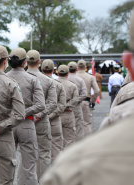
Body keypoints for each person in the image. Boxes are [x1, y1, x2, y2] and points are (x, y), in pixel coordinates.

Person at [40, 9, 134, 185]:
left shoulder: (75, 171)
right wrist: (91, 102)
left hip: (52, 114)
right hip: (78, 106)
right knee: (83, 128)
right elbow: (93, 92)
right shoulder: (90, 77)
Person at [0, 45, 25, 185]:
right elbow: (19, 114)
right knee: (5, 181)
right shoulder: (11, 83)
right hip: (3, 135)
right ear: (5, 61)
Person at [7, 47, 45, 185]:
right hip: (27, 125)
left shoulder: (4, 78)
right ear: (24, 62)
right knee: (29, 168)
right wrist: (22, 112)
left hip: (7, 125)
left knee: (7, 168)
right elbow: (41, 105)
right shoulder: (32, 79)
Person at [26, 50, 57, 180]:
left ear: (26, 62)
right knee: (44, 154)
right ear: (39, 62)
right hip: (42, 121)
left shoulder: (15, 78)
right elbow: (53, 103)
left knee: (25, 155)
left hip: (23, 121)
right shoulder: (48, 81)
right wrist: (39, 114)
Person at [41, 59, 66, 161]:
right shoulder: (58, 84)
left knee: (40, 152)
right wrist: (50, 116)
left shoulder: (35, 81)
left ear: (41, 69)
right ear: (53, 69)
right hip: (54, 121)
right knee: (56, 150)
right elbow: (62, 105)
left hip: (38, 121)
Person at [57, 65, 79, 147]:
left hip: (55, 114)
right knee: (69, 141)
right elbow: (76, 99)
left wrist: (59, 106)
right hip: (68, 113)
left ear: (57, 73)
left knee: (55, 142)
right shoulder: (72, 85)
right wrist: (65, 105)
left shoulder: (52, 83)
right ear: (68, 73)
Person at [76, 60, 99, 135]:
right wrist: (93, 101)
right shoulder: (90, 77)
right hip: (86, 101)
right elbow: (96, 91)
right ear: (85, 67)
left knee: (75, 123)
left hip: (74, 102)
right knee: (87, 124)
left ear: (77, 67)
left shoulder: (73, 76)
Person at [68, 62, 87, 140]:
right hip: (76, 107)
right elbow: (84, 94)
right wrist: (75, 100)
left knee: (66, 128)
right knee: (79, 127)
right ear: (76, 69)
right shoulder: (80, 80)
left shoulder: (61, 80)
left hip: (63, 107)